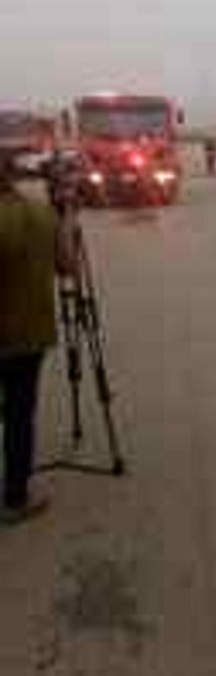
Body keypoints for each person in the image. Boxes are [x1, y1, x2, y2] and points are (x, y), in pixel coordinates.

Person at [0, 150, 74, 525]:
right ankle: (14, 499)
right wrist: (64, 212)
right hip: (26, 337)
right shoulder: (38, 215)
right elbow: (68, 266)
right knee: (18, 415)